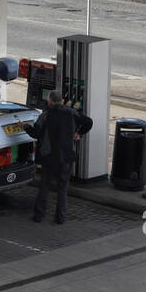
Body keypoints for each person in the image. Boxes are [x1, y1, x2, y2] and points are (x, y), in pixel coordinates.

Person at [24, 90, 93, 224]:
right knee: (62, 188)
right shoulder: (71, 112)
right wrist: (79, 133)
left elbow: (35, 133)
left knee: (45, 186)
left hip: (49, 156)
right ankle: (60, 217)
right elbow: (89, 122)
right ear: (61, 100)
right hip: (66, 156)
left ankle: (39, 215)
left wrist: (25, 126)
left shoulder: (45, 115)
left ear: (50, 101)